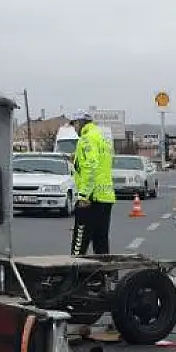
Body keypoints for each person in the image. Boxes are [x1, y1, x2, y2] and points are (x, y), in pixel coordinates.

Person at [67, 109, 116, 255]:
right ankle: (105, 275)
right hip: (105, 198)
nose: (74, 128)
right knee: (100, 242)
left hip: (91, 199)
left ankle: (74, 275)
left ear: (80, 123)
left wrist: (83, 196)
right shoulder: (101, 138)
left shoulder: (87, 139)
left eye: (74, 124)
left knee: (79, 244)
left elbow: (91, 166)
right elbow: (101, 165)